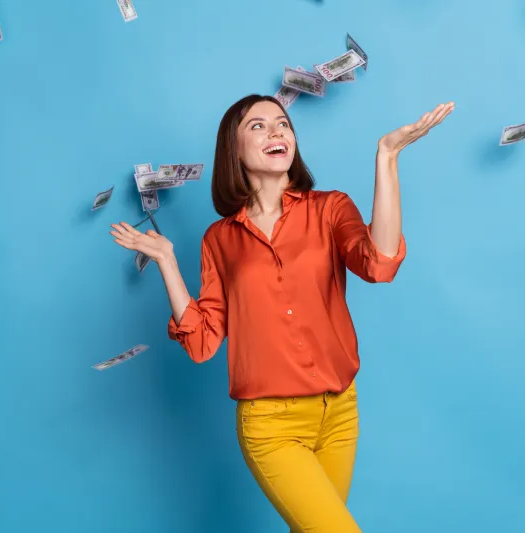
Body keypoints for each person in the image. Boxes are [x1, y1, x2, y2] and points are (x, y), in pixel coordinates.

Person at [110, 94, 454, 532]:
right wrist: (167, 262)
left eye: (283, 124)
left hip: (340, 413)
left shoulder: (330, 209)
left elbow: (380, 263)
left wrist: (387, 157)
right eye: (257, 126)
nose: (276, 132)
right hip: (271, 424)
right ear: (233, 151)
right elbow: (201, 342)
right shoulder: (219, 239)